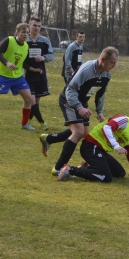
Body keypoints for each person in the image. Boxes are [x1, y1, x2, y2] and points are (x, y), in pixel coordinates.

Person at [39, 46, 119, 176]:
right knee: (78, 131)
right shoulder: (87, 69)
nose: (114, 66)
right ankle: (58, 168)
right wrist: (79, 107)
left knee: (85, 134)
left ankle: (49, 139)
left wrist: (99, 111)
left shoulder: (106, 74)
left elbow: (101, 93)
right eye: (112, 63)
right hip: (69, 100)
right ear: (103, 59)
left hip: (82, 102)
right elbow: (70, 90)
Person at [57, 109, 129, 182]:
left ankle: (87, 167)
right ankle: (71, 170)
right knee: (105, 177)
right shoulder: (124, 120)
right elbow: (107, 128)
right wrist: (116, 146)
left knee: (119, 173)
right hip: (91, 146)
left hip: (100, 151)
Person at [0, 23, 43, 130]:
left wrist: (34, 69)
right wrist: (7, 63)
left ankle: (24, 124)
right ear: (17, 32)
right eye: (23, 32)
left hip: (18, 77)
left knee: (28, 99)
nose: (25, 34)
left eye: (27, 33)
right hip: (3, 75)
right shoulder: (9, 40)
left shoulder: (26, 46)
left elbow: (23, 63)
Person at [25, 16, 54, 130]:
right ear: (29, 26)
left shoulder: (45, 40)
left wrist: (43, 57)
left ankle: (27, 121)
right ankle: (42, 123)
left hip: (41, 74)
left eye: (38, 26)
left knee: (36, 101)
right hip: (27, 74)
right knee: (31, 100)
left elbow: (51, 55)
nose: (36, 28)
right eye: (34, 25)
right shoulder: (24, 39)